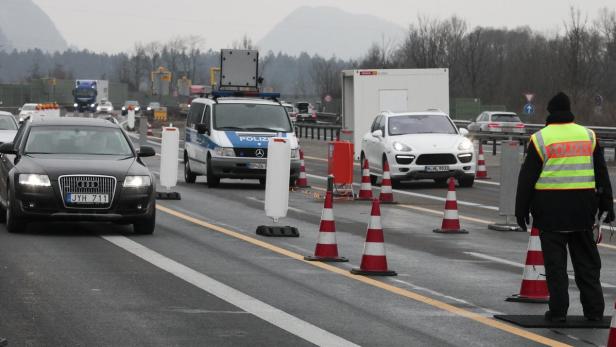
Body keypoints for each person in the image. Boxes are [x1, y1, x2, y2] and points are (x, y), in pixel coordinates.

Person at [515, 92, 615, 322]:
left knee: (555, 267)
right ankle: (594, 312)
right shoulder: (589, 136)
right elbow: (601, 174)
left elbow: (527, 179)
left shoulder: (540, 139)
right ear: (570, 111)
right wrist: (607, 206)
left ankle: (558, 312)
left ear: (550, 112)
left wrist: (521, 210)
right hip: (583, 211)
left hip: (550, 213)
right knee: (587, 265)